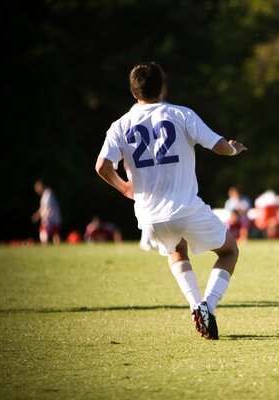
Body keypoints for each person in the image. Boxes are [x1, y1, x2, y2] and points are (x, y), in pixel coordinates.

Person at [95, 62, 247, 340]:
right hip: (185, 208)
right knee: (229, 251)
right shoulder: (181, 114)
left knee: (177, 251)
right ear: (162, 85)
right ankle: (208, 307)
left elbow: (102, 166)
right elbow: (219, 146)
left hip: (149, 216)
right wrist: (234, 150)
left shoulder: (120, 125)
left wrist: (125, 189)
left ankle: (194, 304)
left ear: (132, 91)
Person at [31, 180, 62, 245]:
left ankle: (47, 245)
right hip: (50, 217)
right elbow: (43, 207)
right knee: (54, 233)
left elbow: (48, 207)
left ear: (41, 187)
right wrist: (37, 215)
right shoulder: (44, 195)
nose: (38, 191)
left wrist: (45, 216)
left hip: (52, 217)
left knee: (51, 233)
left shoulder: (48, 194)